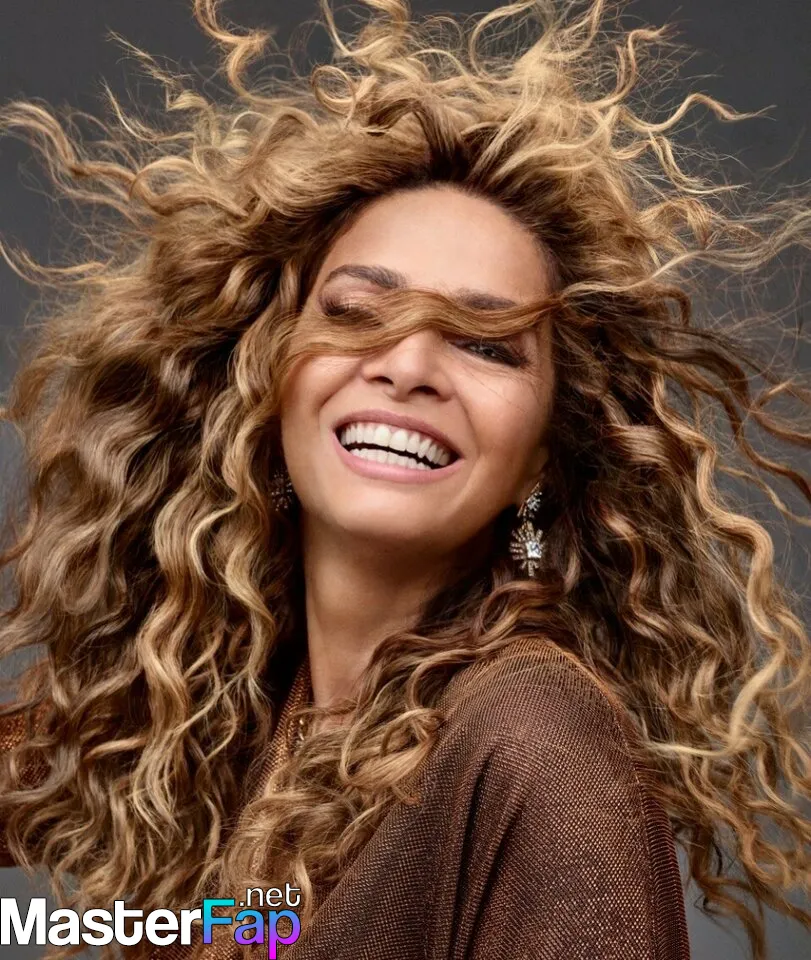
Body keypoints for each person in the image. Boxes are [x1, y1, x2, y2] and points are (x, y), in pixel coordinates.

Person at [0, 1, 809, 958]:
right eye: (355, 313)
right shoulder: (233, 711)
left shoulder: (537, 746)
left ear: (544, 453)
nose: (409, 364)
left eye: (485, 343)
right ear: (263, 377)